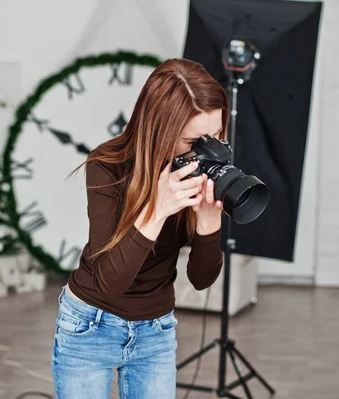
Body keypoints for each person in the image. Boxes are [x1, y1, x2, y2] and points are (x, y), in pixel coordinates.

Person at [51, 58, 229, 398]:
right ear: (158, 128)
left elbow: (201, 280)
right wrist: (157, 209)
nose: (209, 150)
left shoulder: (201, 167)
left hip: (156, 330)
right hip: (90, 325)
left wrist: (208, 223)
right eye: (195, 142)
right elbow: (108, 285)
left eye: (217, 134)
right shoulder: (107, 166)